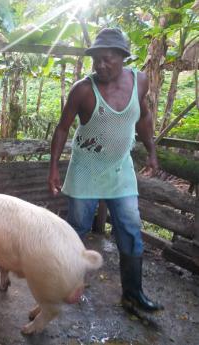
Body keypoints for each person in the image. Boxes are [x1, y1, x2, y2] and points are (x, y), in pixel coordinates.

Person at [48, 28, 163, 313]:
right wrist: (53, 169)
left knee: (130, 228)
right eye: (96, 59)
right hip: (85, 169)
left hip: (119, 168)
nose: (100, 65)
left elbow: (144, 117)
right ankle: (67, 285)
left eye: (107, 59)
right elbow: (62, 129)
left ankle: (133, 294)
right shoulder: (83, 90)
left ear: (123, 57)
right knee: (78, 230)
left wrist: (151, 152)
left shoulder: (140, 82)